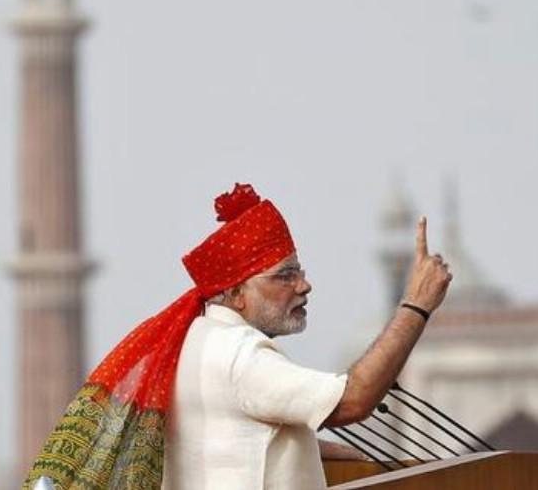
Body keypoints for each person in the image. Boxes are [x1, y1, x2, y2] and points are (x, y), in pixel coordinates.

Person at [23, 182, 452, 490]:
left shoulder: (190, 345)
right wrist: (415, 306)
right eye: (285, 275)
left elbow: (228, 442)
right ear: (236, 294)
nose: (304, 286)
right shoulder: (239, 356)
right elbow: (355, 399)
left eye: (299, 271)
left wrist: (318, 450)